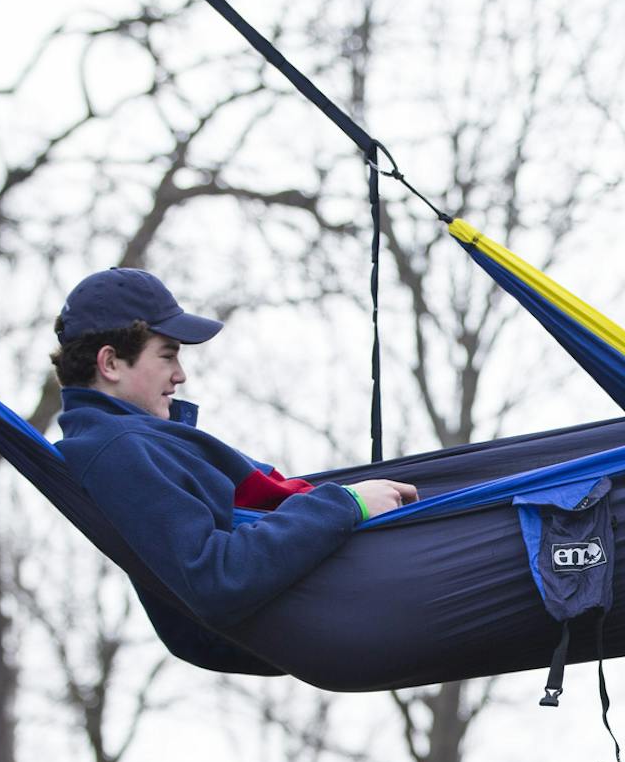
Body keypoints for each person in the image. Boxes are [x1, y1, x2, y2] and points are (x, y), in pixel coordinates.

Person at [51, 268, 419, 630]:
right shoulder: (117, 451)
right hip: (313, 609)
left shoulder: (132, 440)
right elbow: (215, 578)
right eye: (167, 356)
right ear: (111, 363)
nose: (180, 375)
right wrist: (344, 505)